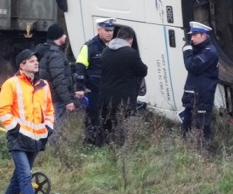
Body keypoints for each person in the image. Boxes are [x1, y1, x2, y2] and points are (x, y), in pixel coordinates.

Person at [0, 49, 54, 194]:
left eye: (36, 60)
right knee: (25, 175)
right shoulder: (11, 84)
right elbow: (2, 110)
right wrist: (15, 129)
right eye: (31, 61)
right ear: (22, 65)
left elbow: (49, 110)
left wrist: (48, 128)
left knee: (18, 178)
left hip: (37, 138)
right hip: (18, 138)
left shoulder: (43, 85)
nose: (36, 63)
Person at [99, 26, 148, 145]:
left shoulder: (105, 51)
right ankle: (119, 149)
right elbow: (143, 71)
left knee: (107, 123)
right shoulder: (130, 53)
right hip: (123, 97)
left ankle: (105, 146)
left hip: (105, 96)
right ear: (130, 40)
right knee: (120, 124)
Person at [74, 17, 115, 146]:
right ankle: (90, 143)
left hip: (107, 90)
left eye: (111, 30)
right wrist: (80, 87)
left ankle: (105, 142)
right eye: (106, 30)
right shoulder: (89, 46)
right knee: (93, 117)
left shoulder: (110, 47)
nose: (109, 33)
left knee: (107, 116)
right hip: (93, 90)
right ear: (99, 30)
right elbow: (80, 67)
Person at [34, 23, 76, 147]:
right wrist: (68, 100)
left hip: (47, 95)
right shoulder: (55, 55)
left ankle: (42, 147)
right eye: (63, 34)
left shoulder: (43, 50)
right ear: (58, 37)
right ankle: (48, 150)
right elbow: (59, 79)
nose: (65, 36)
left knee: (46, 123)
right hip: (56, 97)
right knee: (54, 125)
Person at [180, 21, 219, 150]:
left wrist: (186, 52)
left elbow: (193, 66)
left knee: (202, 128)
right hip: (192, 97)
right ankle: (186, 153)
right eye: (191, 36)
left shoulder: (209, 52)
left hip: (202, 97)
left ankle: (205, 156)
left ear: (204, 36)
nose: (192, 38)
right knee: (186, 128)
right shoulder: (199, 50)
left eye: (195, 35)